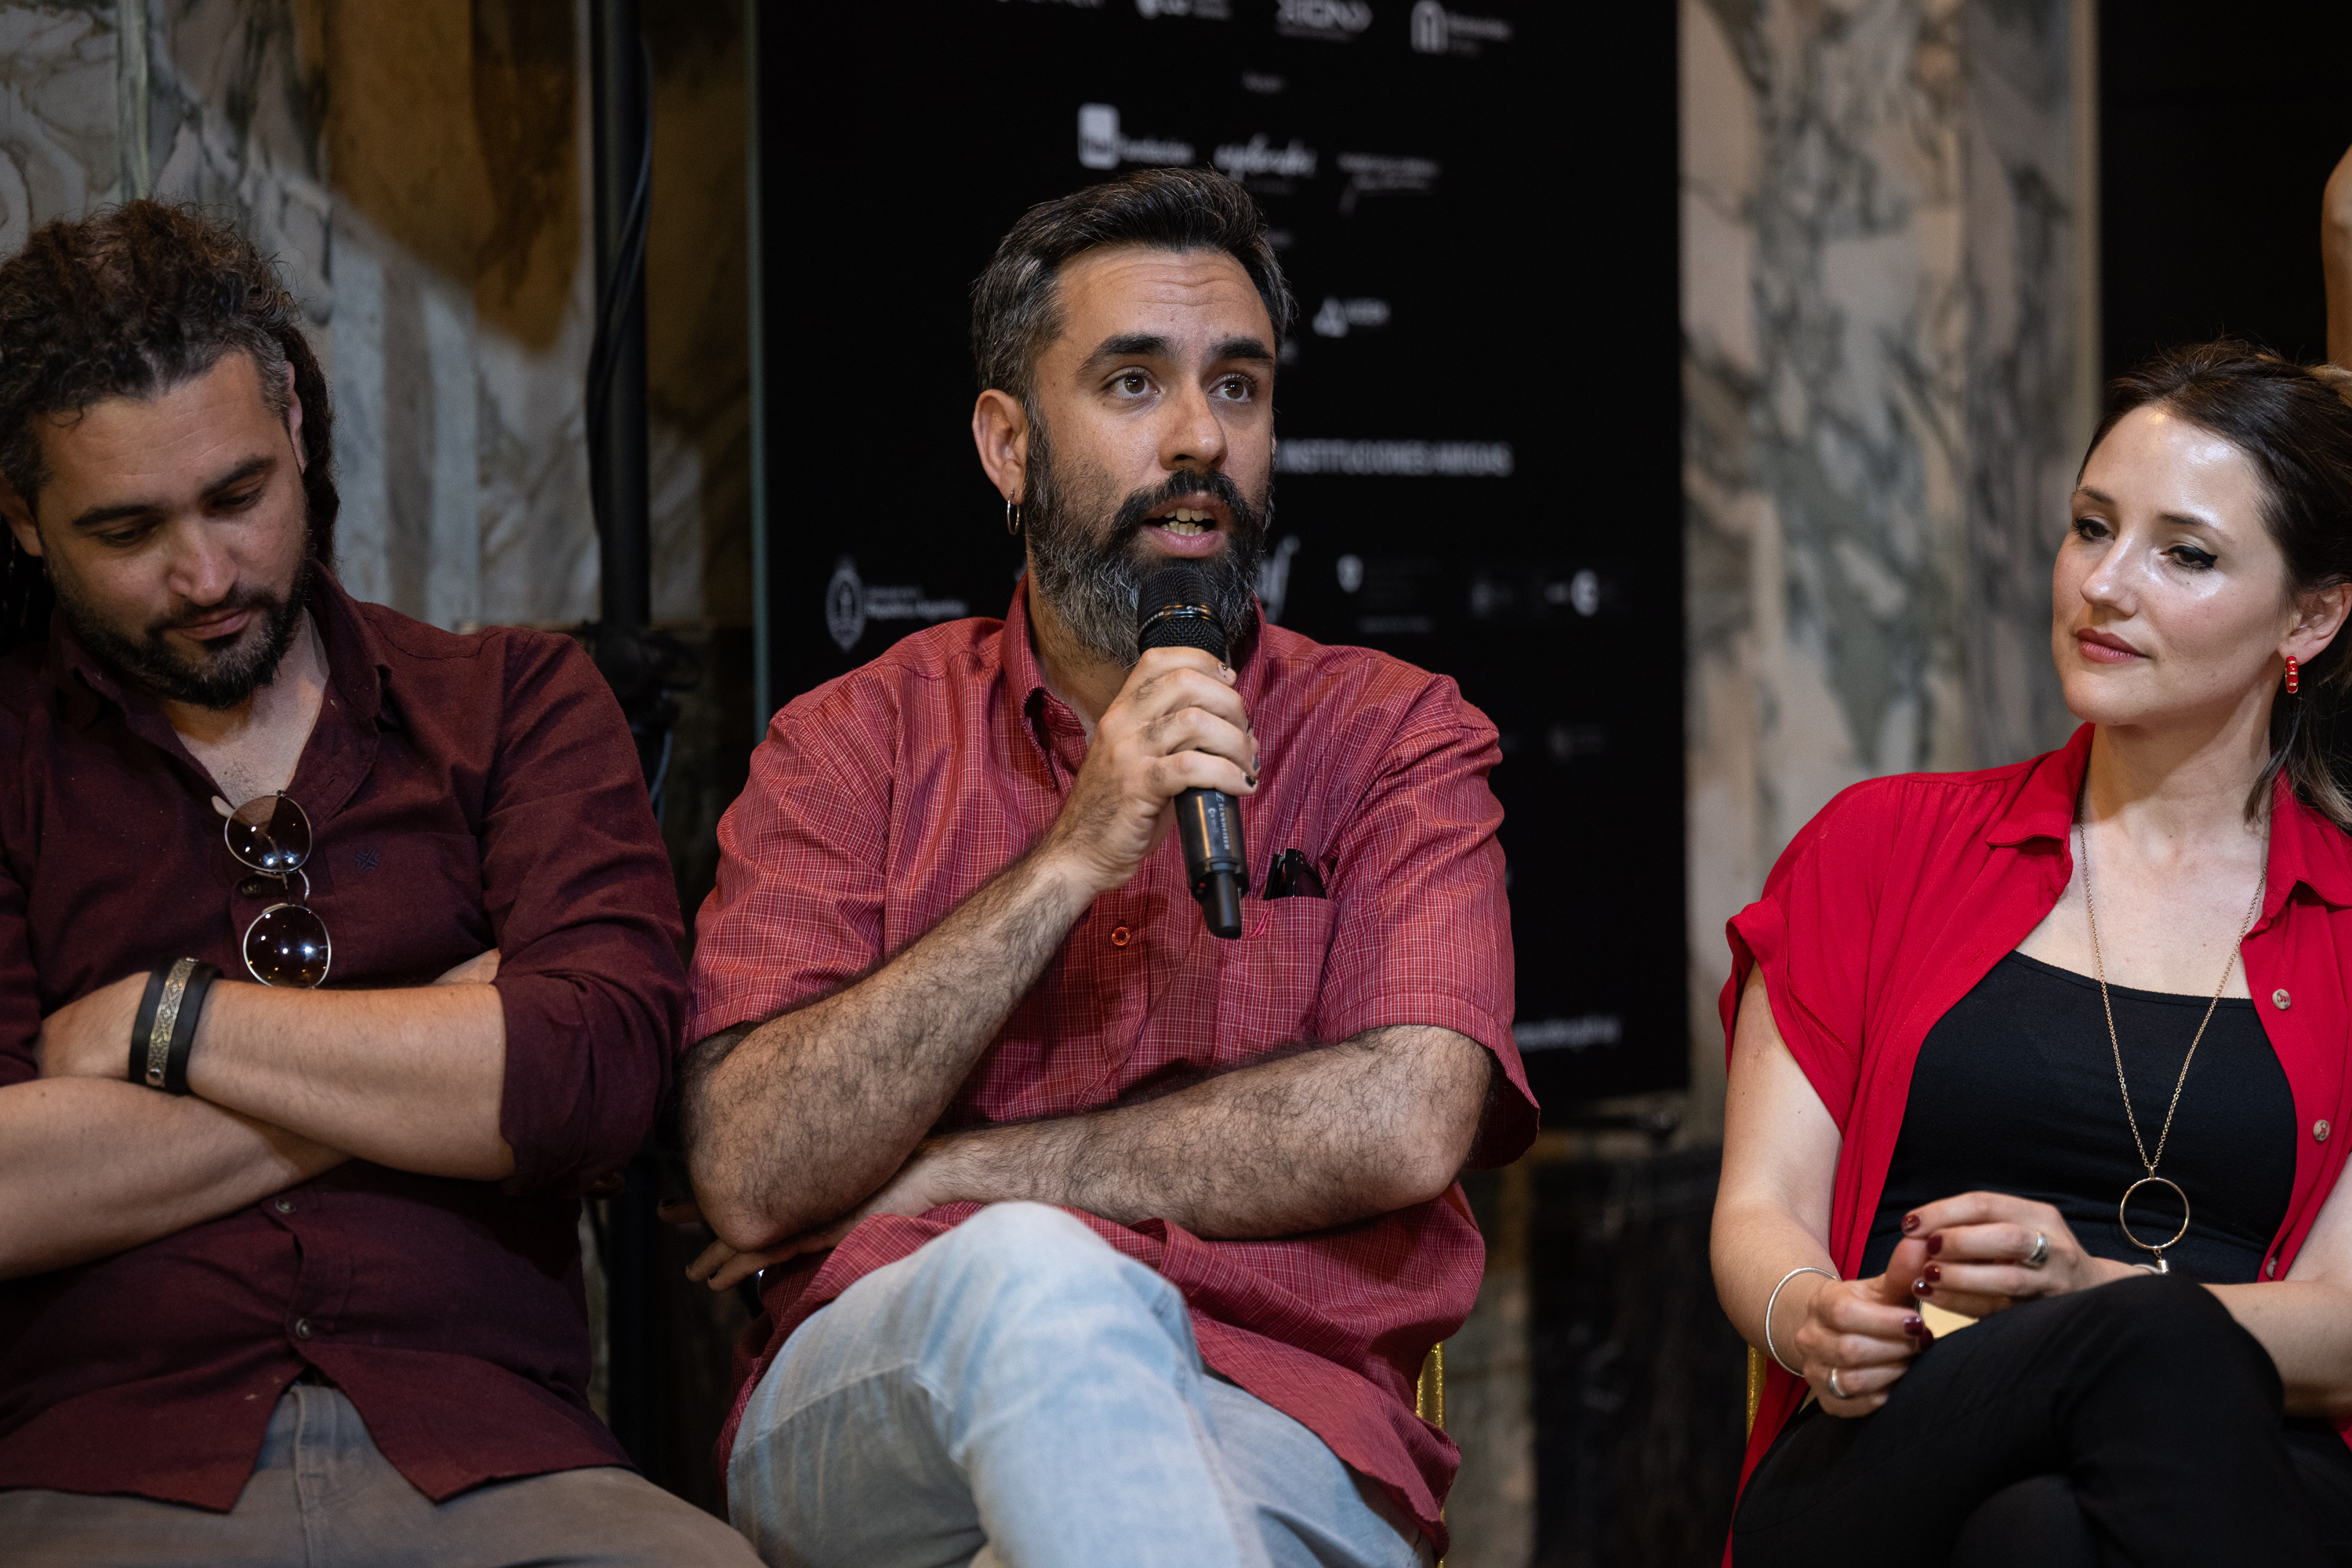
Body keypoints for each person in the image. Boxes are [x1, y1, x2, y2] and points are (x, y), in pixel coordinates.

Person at [677, 166, 1535, 1568]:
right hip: (885, 1396)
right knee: (1033, 1279)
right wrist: (1071, 855)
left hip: (1282, 1406)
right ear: (1008, 445)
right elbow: (755, 1172)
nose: (1200, 438)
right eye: (1135, 385)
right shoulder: (852, 744)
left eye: (1239, 388)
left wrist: (957, 1167)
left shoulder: (1393, 735)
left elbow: (1408, 1117)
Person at [0, 202, 758, 1565]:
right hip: (95, 1476)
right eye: (127, 531)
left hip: (505, 1460)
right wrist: (438, 1046)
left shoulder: (516, 704)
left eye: (239, 496)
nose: (207, 575)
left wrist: (168, 1026)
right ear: (21, 517)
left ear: (297, 421)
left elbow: (595, 1080)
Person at [1711, 340, 2352, 1566]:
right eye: (2091, 527)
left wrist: (2086, 1293)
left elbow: (2347, 1324)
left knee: (2050, 1530)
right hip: (1896, 1440)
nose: (2105, 585)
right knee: (2145, 1352)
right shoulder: (1880, 847)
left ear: (2312, 615)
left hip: (2252, 1462)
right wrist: (1815, 1317)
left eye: (2186, 554)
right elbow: (1761, 1210)